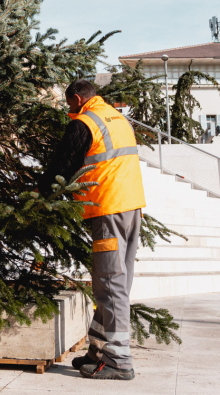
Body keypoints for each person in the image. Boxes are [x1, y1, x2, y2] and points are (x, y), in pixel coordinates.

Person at [43, 80, 145, 381]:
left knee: (110, 284)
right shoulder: (116, 117)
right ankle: (98, 351)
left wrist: (40, 193)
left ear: (77, 98)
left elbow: (63, 165)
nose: (69, 110)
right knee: (114, 282)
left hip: (108, 209)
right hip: (131, 207)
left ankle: (119, 361)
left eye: (69, 104)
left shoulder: (85, 122)